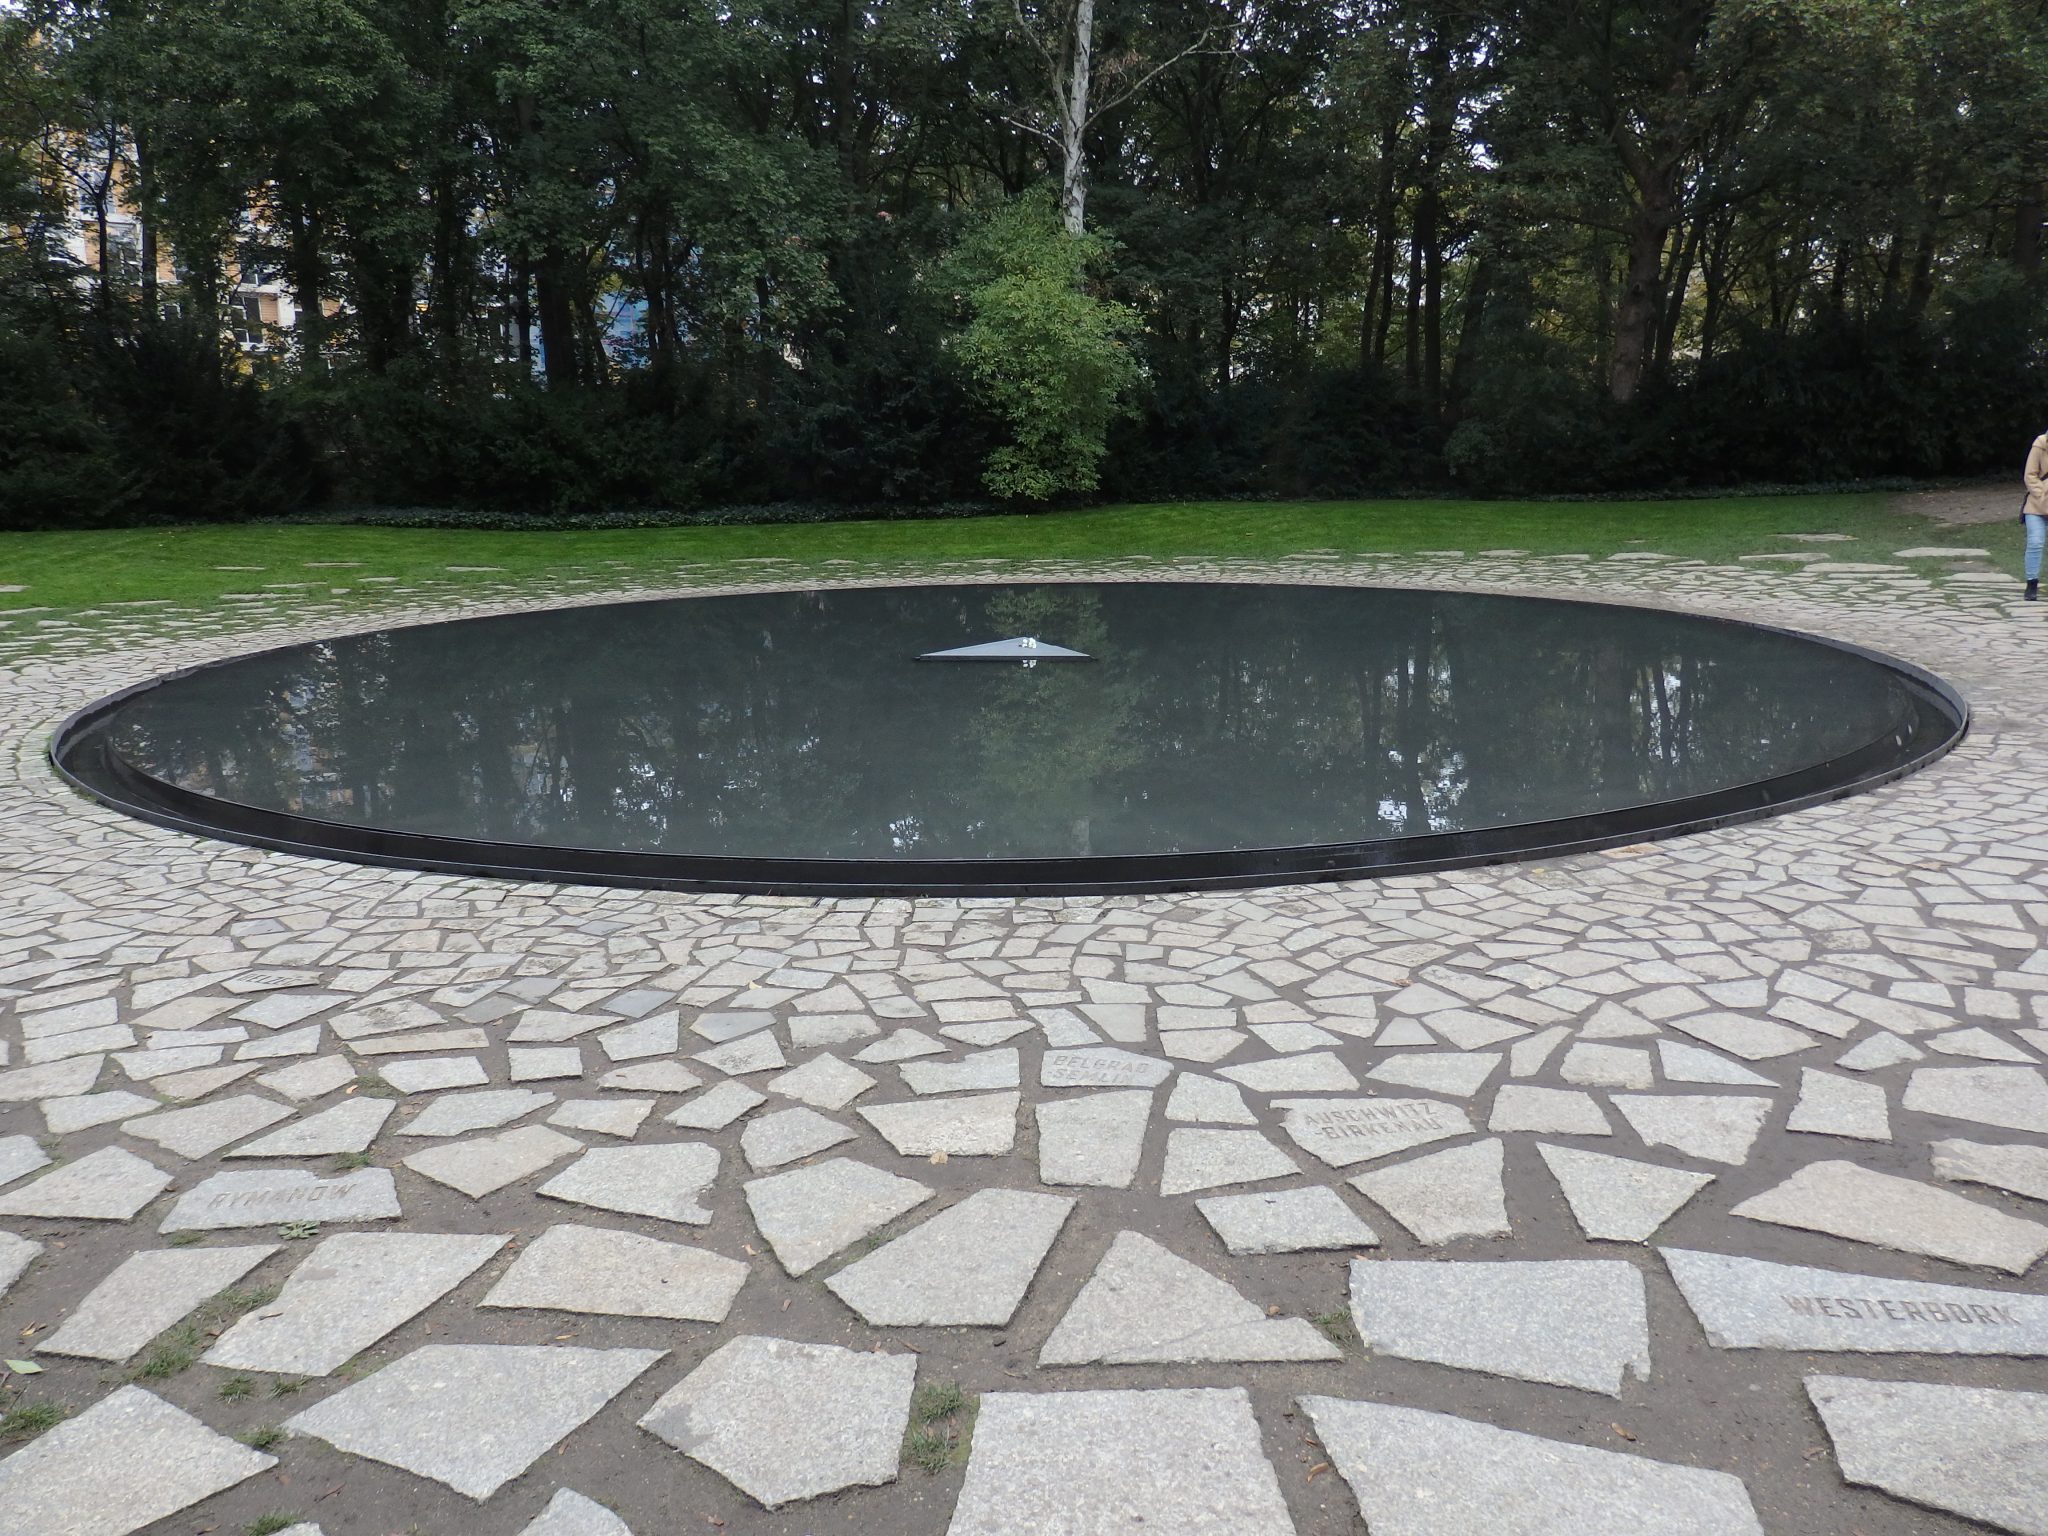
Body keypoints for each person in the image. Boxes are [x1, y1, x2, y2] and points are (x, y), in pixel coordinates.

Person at [2027, 429, 2048, 600]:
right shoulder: (2041, 443)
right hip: (2037, 505)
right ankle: (2031, 583)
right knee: (2035, 541)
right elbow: (2030, 475)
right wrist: (2041, 494)